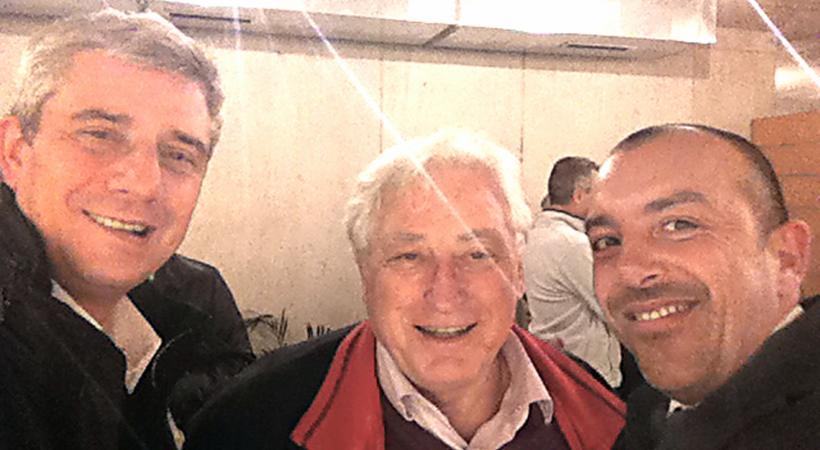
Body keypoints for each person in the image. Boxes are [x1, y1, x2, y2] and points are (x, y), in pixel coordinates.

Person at [184, 129, 625, 450]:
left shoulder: (609, 416)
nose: (445, 292)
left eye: (477, 254)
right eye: (409, 257)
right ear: (365, 275)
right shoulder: (246, 426)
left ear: (518, 269)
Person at [0, 9, 253, 450]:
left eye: (179, 155)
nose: (144, 184)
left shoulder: (198, 302)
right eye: (99, 135)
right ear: (16, 152)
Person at [585, 124, 814, 449]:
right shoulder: (651, 414)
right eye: (607, 241)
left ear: (787, 257)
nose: (630, 272)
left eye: (679, 225)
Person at [524, 157, 623, 391]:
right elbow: (610, 304)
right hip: (588, 372)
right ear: (578, 195)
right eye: (598, 193)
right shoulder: (571, 244)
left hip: (556, 361)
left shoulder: (536, 234)